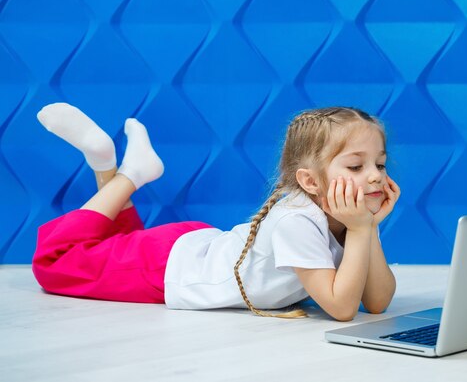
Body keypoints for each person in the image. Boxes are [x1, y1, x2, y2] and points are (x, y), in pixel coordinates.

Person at [33, 103, 400, 321]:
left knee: (112, 241)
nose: (374, 177)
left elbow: (377, 302)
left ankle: (103, 163)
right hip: (167, 268)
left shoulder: (351, 216)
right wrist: (363, 232)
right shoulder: (298, 221)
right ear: (310, 181)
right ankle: (131, 174)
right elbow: (342, 308)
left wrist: (365, 229)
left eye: (380, 165)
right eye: (356, 167)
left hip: (192, 247)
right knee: (55, 262)